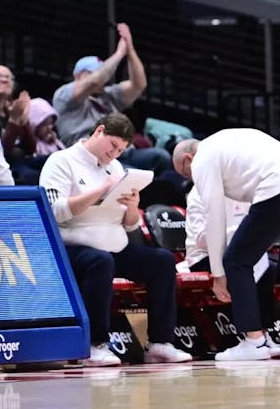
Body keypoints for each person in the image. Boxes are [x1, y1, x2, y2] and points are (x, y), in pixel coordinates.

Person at [39, 113, 192, 366]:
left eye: (121, 150)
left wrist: (133, 206)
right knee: (100, 262)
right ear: (99, 131)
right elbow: (54, 212)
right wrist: (99, 191)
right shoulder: (61, 161)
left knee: (163, 261)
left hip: (113, 244)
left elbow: (130, 224)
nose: (115, 154)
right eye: (112, 146)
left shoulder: (116, 167)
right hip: (73, 247)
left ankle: (160, 343)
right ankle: (95, 344)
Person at [172, 129, 280, 361]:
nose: (192, 180)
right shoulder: (228, 142)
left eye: (186, 174)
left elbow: (215, 219)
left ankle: (254, 342)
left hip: (277, 186)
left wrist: (218, 273)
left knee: (236, 260)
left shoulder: (204, 159)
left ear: (188, 159)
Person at [52, 23, 172, 174]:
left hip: (123, 152)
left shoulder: (108, 95)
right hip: (91, 158)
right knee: (132, 176)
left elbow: (139, 84)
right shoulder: (64, 94)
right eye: (94, 72)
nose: (104, 78)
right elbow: (96, 80)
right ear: (78, 76)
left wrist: (130, 50)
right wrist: (120, 53)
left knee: (161, 157)